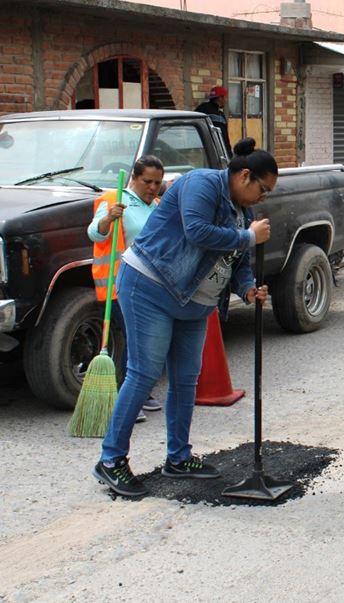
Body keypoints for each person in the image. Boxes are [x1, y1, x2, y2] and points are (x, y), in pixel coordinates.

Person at [92, 138, 274, 497]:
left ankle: (178, 457)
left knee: (186, 378)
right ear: (244, 175)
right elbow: (197, 231)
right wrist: (247, 238)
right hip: (150, 286)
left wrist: (249, 288)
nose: (263, 197)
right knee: (143, 373)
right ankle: (111, 460)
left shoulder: (244, 214)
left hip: (193, 302)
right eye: (263, 189)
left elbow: (239, 264)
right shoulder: (202, 184)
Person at [88, 156, 171, 422]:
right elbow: (94, 233)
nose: (152, 187)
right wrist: (108, 220)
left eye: (157, 182)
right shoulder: (114, 200)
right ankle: (129, 399)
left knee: (147, 342)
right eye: (147, 181)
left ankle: (141, 392)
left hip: (152, 286)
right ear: (134, 178)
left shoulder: (157, 206)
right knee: (136, 340)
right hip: (122, 285)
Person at [195, 86, 231, 157]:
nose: (226, 100)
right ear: (220, 98)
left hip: (202, 149)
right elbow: (223, 137)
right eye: (225, 97)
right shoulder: (218, 115)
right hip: (216, 152)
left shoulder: (201, 109)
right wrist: (228, 154)